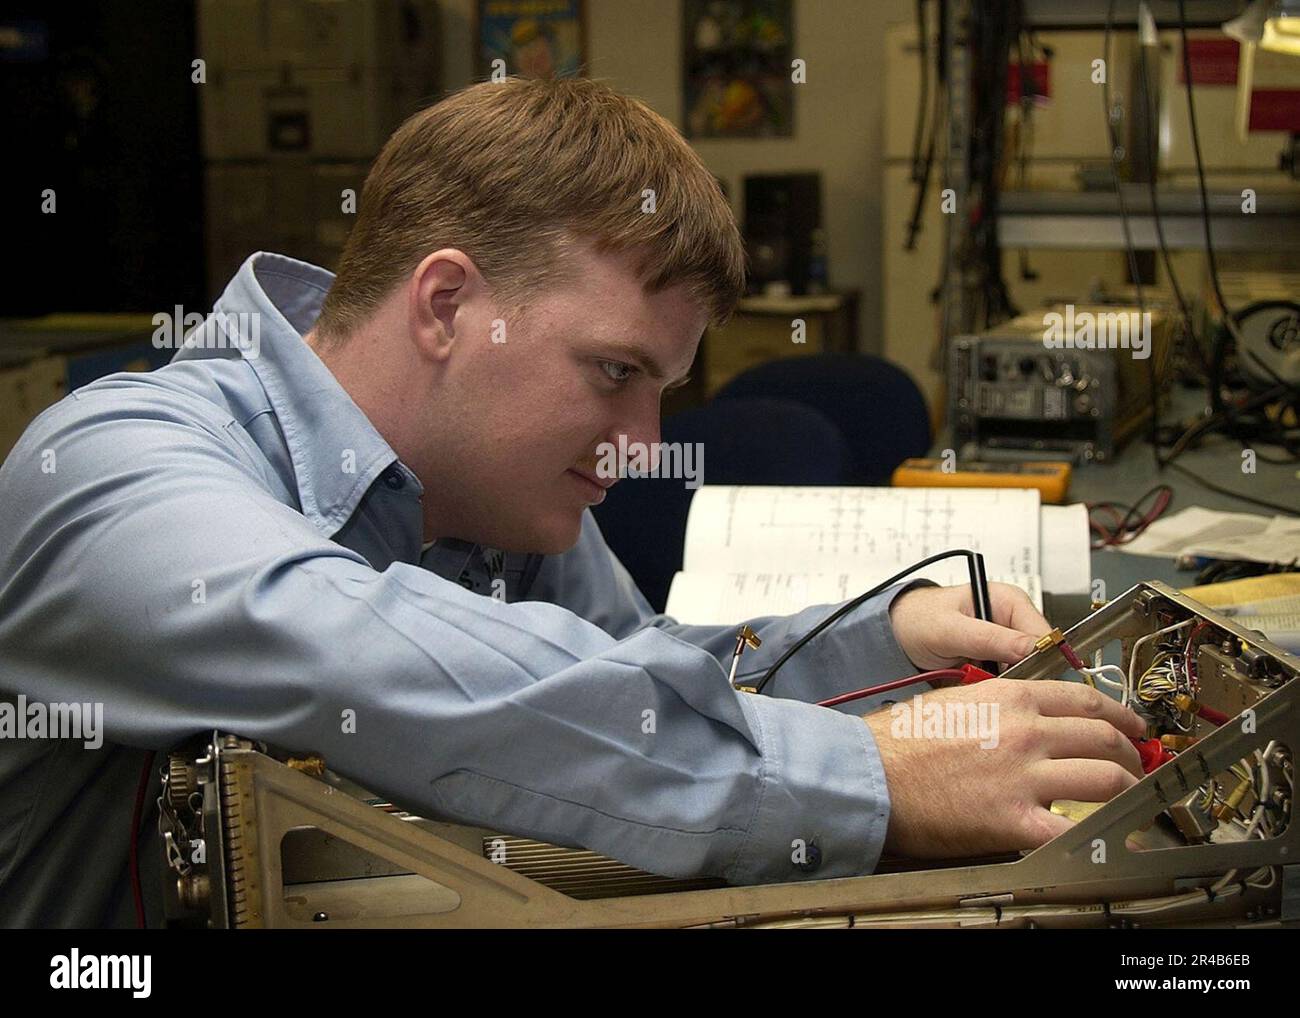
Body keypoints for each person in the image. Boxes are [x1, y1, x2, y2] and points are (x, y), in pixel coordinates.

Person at [0, 77, 1145, 928]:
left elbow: (616, 685)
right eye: (612, 373)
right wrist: (874, 779)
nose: (642, 445)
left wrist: (859, 650)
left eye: (660, 387)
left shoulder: (487, 493)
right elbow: (367, 663)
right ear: (445, 304)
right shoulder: (111, 470)